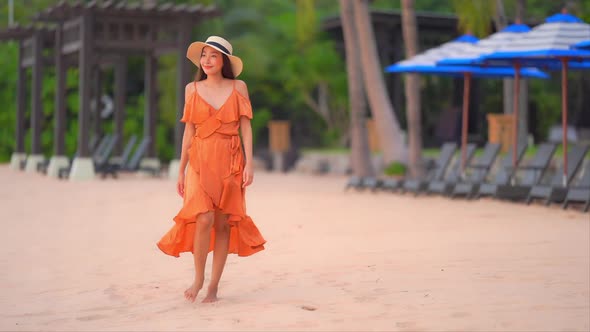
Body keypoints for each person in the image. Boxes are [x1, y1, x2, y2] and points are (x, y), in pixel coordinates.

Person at [157, 36, 266, 303]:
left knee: (224, 223)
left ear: (224, 61)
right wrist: (181, 170)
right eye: (204, 55)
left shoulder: (239, 86)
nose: (207, 60)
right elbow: (188, 131)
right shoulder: (191, 89)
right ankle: (198, 278)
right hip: (200, 159)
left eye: (213, 56)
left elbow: (246, 127)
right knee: (203, 218)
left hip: (230, 159)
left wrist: (249, 164)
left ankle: (214, 287)